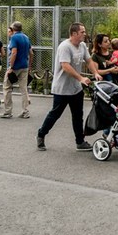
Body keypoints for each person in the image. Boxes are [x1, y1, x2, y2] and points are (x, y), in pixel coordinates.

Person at [36, 22, 102, 151]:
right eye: (82, 32)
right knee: (55, 114)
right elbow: (65, 66)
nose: (85, 34)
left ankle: (80, 141)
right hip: (62, 89)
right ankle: (41, 134)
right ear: (74, 34)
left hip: (76, 89)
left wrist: (95, 73)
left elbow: (89, 61)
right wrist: (81, 78)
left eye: (84, 31)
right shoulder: (65, 47)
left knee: (78, 115)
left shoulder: (82, 46)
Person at [1, 22, 34, 119]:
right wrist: (30, 66)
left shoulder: (14, 38)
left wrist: (11, 67)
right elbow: (31, 53)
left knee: (7, 87)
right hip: (24, 66)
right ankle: (25, 111)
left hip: (15, 67)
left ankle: (8, 111)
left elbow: (14, 53)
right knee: (24, 89)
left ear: (13, 29)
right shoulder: (26, 37)